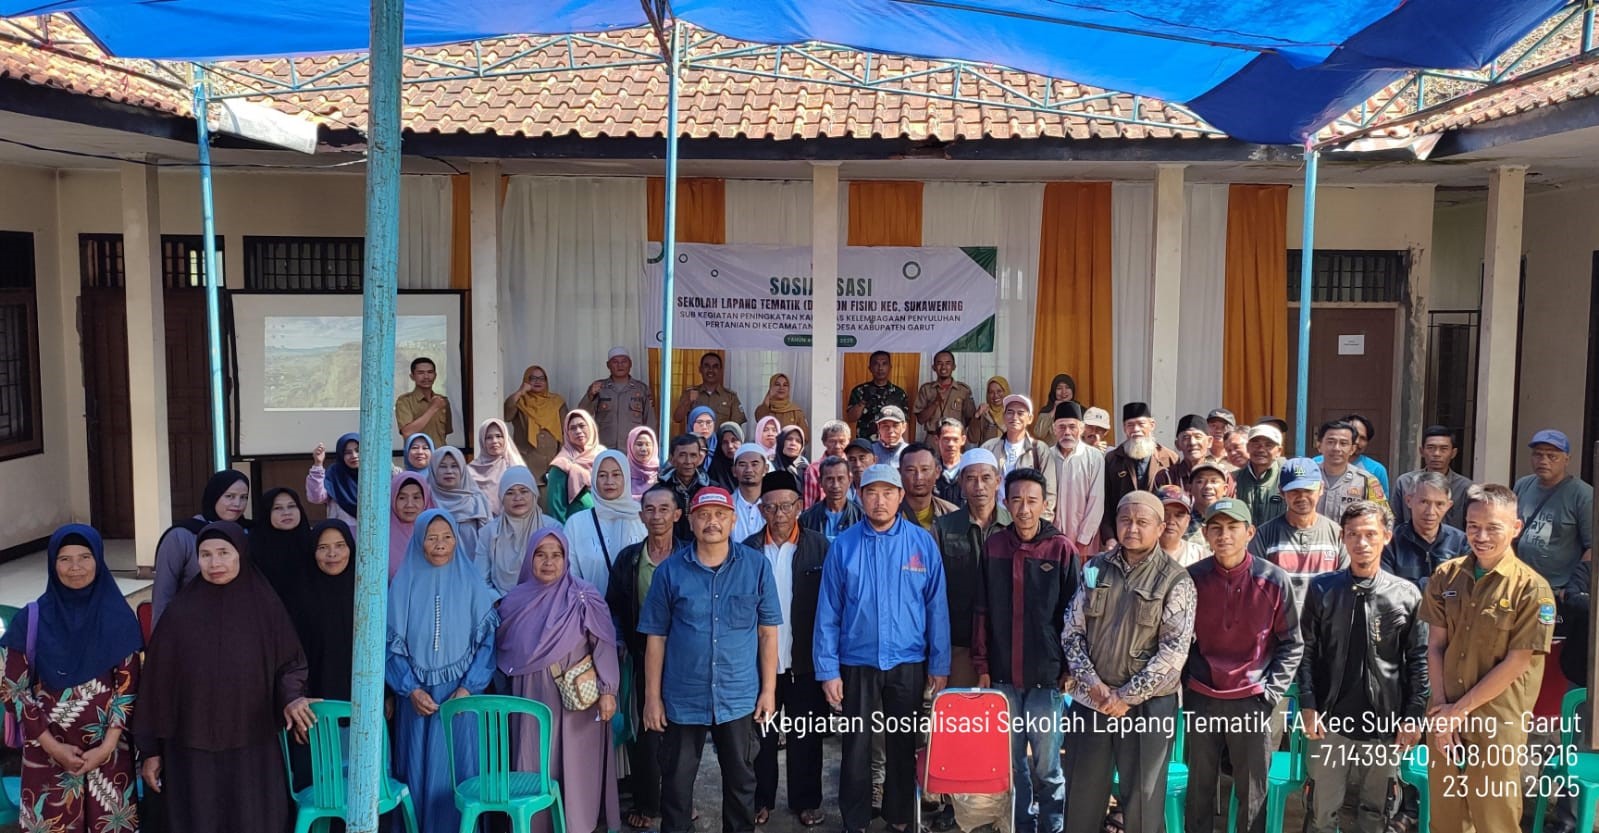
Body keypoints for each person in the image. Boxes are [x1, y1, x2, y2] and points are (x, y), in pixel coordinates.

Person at [136, 521, 314, 833]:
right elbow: (156, 685)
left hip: (251, 745)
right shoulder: (179, 614)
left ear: (241, 555)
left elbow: (290, 664)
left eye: (223, 553)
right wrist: (150, 750)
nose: (214, 563)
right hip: (190, 749)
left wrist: (291, 696)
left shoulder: (265, 606)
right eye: (205, 555)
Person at [815, 464, 951, 833]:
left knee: (903, 743)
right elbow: (828, 611)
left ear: (900, 497)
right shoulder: (843, 546)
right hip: (856, 661)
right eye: (872, 493)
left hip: (908, 661)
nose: (880, 501)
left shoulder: (921, 544)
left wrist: (940, 664)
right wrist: (827, 670)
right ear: (860, 496)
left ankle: (900, 816)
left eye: (888, 493)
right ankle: (855, 819)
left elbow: (936, 607)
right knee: (856, 745)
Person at [640, 487, 780, 833]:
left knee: (741, 782)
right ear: (691, 521)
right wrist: (652, 699)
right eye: (704, 515)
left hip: (738, 695)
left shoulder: (756, 567)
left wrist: (768, 691)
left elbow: (767, 633)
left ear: (733, 520)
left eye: (720, 515)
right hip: (682, 697)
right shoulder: (670, 572)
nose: (712, 522)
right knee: (675, 784)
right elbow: (656, 638)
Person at [1422, 484, 1554, 832]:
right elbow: (1435, 646)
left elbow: (1518, 661)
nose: (1480, 536)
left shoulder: (1532, 589)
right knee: (1447, 820)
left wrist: (1457, 711)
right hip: (1444, 722)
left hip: (1495, 725)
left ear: (1515, 528)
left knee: (1495, 821)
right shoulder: (1446, 575)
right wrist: (1440, 709)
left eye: (1493, 527)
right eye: (1472, 525)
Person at [1062, 492, 1196, 833]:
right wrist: (1094, 684)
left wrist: (1125, 696)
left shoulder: (1176, 580)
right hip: (1092, 700)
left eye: (1142, 522)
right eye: (1125, 520)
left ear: (1160, 527)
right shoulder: (1094, 568)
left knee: (1143, 803)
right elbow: (1072, 632)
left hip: (1148, 707)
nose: (1132, 528)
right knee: (1082, 797)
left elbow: (1173, 654)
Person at [1, 525, 143, 833]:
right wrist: (53, 747)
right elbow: (15, 690)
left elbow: (128, 688)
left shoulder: (118, 616)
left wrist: (107, 746)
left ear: (99, 560)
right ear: (52, 563)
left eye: (84, 557)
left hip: (109, 758)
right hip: (46, 756)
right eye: (65, 559)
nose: (75, 568)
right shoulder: (32, 618)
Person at [1300, 501, 1428, 833]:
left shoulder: (1405, 595)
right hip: (1331, 722)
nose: (1362, 543)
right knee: (1321, 812)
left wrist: (1413, 716)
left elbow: (1418, 661)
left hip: (1384, 723)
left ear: (1386, 536)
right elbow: (1307, 652)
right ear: (1342, 537)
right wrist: (1309, 705)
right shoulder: (1322, 589)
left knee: (1377, 812)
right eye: (1354, 534)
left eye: (1371, 534)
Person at [1185, 499, 1303, 833]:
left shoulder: (1273, 580)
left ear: (1250, 532)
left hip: (1252, 699)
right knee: (1199, 788)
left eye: (1233, 527)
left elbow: (1292, 642)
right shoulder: (1191, 579)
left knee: (1252, 791)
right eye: (1216, 528)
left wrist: (1270, 693)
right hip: (1203, 695)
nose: (1225, 535)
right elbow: (1178, 639)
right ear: (1206, 534)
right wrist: (1187, 688)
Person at [972, 467, 1077, 833]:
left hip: (1046, 676)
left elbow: (1073, 614)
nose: (1024, 508)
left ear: (1045, 504)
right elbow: (981, 608)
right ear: (1006, 502)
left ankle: (1052, 824)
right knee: (1011, 761)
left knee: (1048, 765)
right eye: (1016, 499)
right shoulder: (995, 545)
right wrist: (982, 663)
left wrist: (1069, 668)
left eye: (1032, 500)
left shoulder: (1060, 548)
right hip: (1001, 675)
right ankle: (1020, 824)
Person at [498, 526, 621, 833]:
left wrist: (608, 690)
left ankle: (577, 825)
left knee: (577, 766)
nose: (549, 562)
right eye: (541, 554)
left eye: (557, 555)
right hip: (528, 698)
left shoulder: (583, 596)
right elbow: (502, 651)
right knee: (533, 763)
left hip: (577, 698)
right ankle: (535, 826)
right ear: (529, 558)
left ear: (567, 559)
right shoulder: (513, 601)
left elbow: (604, 644)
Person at [387, 510, 500, 833]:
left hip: (461, 700)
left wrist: (467, 690)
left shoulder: (471, 581)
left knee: (462, 771)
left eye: (447, 537)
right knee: (416, 771)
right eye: (431, 537)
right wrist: (411, 689)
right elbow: (388, 645)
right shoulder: (403, 582)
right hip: (417, 700)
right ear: (419, 540)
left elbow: (487, 643)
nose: (440, 544)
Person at [744, 471, 830, 829]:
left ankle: (806, 802)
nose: (779, 514)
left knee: (806, 738)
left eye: (786, 506)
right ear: (761, 509)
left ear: (800, 506)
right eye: (771, 507)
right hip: (759, 664)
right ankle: (760, 801)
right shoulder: (747, 550)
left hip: (804, 661)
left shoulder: (821, 547)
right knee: (759, 740)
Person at [607, 484, 684, 832]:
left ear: (677, 514)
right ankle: (646, 803)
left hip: (685, 658)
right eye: (650, 509)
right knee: (646, 730)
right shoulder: (629, 558)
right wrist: (621, 641)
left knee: (683, 735)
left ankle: (680, 804)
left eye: (664, 509)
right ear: (641, 516)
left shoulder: (689, 555)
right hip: (641, 656)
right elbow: (614, 608)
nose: (657, 516)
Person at [934, 448, 1010, 688]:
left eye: (986, 478)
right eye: (971, 478)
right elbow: (932, 591)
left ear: (998, 481)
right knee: (962, 716)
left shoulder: (1016, 525)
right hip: (959, 641)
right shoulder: (944, 528)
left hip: (1006, 642)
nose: (979, 486)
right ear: (961, 483)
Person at [152, 468, 250, 624]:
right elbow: (163, 594)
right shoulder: (181, 536)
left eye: (243, 497)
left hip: (241, 627)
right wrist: (161, 641)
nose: (237, 504)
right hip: (192, 627)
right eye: (230, 496)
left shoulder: (248, 533)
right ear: (214, 496)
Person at [1250, 458, 1347, 611]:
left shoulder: (1337, 534)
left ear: (1321, 488)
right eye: (1294, 491)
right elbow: (1257, 588)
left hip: (1325, 627)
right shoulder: (1264, 534)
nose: (1302, 497)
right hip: (1280, 627)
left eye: (1308, 490)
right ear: (1281, 491)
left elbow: (1344, 587)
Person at [1513, 428, 1594, 596]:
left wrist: (1574, 587)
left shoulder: (1583, 495)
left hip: (1557, 589)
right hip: (1520, 585)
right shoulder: (1523, 485)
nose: (1543, 461)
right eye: (1538, 454)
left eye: (1552, 456)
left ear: (1566, 459)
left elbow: (1593, 547)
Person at [289, 520, 357, 701]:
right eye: (323, 547)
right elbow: (293, 654)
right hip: (316, 703)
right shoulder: (299, 596)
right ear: (312, 552)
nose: (332, 554)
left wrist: (387, 693)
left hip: (367, 702)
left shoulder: (368, 592)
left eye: (340, 545)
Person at [564, 450, 647, 596]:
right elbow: (571, 574)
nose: (609, 481)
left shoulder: (643, 518)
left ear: (626, 477)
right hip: (591, 611)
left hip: (638, 614)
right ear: (594, 478)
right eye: (602, 475)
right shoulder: (576, 524)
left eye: (616, 475)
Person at [1101, 402, 1179, 542]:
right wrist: (1109, 538)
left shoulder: (1170, 459)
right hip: (1124, 536)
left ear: (1152, 425)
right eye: (1130, 425)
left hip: (1158, 538)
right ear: (1124, 428)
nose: (1136, 429)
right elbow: (1106, 504)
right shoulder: (1112, 459)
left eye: (1141, 424)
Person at [475, 466, 556, 595]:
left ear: (534, 493)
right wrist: (499, 602)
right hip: (501, 608)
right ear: (502, 497)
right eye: (510, 492)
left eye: (524, 491)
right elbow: (480, 579)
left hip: (545, 604)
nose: (518, 498)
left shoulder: (552, 529)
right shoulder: (489, 533)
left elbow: (560, 574)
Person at [1382, 471, 1470, 590]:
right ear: (1408, 501)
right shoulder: (1390, 543)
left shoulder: (1461, 543)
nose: (1430, 512)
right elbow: (1387, 590)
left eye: (1439, 504)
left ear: (1448, 506)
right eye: (1424, 502)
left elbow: (1465, 589)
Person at [980, 394, 1060, 512]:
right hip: (995, 520)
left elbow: (1049, 493)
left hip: (1028, 519)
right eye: (1010, 412)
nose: (1014, 417)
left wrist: (1041, 525)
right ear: (1004, 416)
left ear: (1030, 418)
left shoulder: (1040, 450)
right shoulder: (989, 448)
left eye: (1020, 413)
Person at [1047, 400, 1105, 555]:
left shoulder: (1094, 457)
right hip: (1051, 541)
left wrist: (1083, 539)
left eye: (1072, 427)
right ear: (1054, 430)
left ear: (1081, 428)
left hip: (1084, 544)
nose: (1067, 432)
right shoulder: (1046, 456)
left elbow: (1096, 501)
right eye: (1061, 427)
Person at [1389, 425, 1473, 529]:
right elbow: (1394, 523)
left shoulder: (1466, 487)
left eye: (1443, 449)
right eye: (1431, 448)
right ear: (1421, 451)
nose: (1436, 454)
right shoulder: (1405, 482)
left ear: (1453, 453)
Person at [580, 346, 656, 450]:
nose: (620, 365)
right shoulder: (599, 387)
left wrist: (649, 446)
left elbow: (650, 421)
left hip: (633, 448)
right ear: (608, 365)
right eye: (615, 362)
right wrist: (589, 395)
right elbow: (582, 414)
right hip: (604, 447)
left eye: (624, 361)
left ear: (630, 364)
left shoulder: (642, 389)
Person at [1315, 420, 1387, 522]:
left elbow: (1384, 517)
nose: (1336, 448)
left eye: (1343, 443)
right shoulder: (1307, 476)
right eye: (1330, 442)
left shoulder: (1367, 481)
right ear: (1319, 446)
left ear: (1352, 449)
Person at [428, 445, 492, 559]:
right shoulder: (426, 500)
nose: (449, 471)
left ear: (463, 469)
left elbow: (489, 543)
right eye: (442, 466)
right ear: (433, 469)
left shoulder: (477, 501)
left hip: (472, 570)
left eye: (454, 466)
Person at [251, 487, 314, 601]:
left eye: (291, 506)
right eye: (277, 508)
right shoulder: (254, 548)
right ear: (267, 513)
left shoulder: (314, 543)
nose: (286, 513)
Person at [504, 364, 566, 477]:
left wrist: (562, 458)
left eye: (542, 378)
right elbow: (507, 416)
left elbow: (566, 430)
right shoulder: (520, 401)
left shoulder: (556, 401)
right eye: (533, 378)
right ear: (525, 381)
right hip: (526, 462)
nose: (538, 381)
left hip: (552, 462)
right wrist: (520, 392)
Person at [547, 409, 606, 523]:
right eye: (572, 428)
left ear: (591, 427)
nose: (578, 431)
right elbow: (556, 510)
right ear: (567, 433)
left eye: (582, 426)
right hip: (576, 531)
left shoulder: (604, 457)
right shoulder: (561, 465)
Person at [671, 352, 747, 433]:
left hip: (720, 444)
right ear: (700, 369)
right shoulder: (690, 393)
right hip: (696, 443)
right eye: (707, 366)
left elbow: (736, 427)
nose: (711, 370)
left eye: (715, 366)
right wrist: (688, 402)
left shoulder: (730, 397)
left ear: (721, 370)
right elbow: (677, 418)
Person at [847, 351, 910, 442]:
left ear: (890, 367)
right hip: (867, 445)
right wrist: (864, 400)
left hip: (891, 443)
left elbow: (904, 422)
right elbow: (851, 418)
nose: (880, 368)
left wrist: (905, 448)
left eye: (884, 364)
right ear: (870, 368)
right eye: (876, 364)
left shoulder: (898, 393)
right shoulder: (860, 390)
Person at [467, 417, 527, 514]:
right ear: (482, 441)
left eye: (499, 436)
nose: (494, 441)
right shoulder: (470, 471)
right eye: (489, 437)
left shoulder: (515, 466)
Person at [659, 433, 711, 541]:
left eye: (693, 455)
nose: (688, 461)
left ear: (699, 458)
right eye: (682, 455)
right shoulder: (660, 490)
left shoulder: (711, 490)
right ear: (672, 459)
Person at [914, 351, 977, 439]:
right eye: (939, 363)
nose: (943, 367)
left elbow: (971, 419)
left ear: (954, 367)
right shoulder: (926, 389)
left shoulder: (963, 390)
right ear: (933, 367)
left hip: (955, 438)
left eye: (948, 363)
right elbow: (920, 419)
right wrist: (935, 403)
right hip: (933, 439)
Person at [799, 456, 862, 542]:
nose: (835, 485)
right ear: (820, 482)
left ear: (850, 480)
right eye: (830, 479)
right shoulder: (807, 519)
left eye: (840, 479)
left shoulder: (861, 517)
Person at [898, 442, 959, 530]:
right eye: (911, 470)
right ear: (900, 472)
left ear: (937, 472)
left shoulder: (952, 514)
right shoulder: (889, 514)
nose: (919, 477)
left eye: (925, 469)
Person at [1235, 423, 1286, 525]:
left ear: (1279, 451)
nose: (1261, 449)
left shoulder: (1287, 478)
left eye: (1268, 445)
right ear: (1248, 447)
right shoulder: (1234, 478)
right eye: (1256, 444)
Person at [395, 356, 453, 447]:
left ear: (435, 375)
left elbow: (445, 433)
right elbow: (407, 432)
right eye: (420, 373)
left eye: (430, 372)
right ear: (412, 376)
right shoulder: (404, 401)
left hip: (440, 456)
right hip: (418, 457)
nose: (426, 377)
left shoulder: (443, 401)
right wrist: (433, 408)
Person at [388, 471, 434, 578]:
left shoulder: (438, 531)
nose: (409, 505)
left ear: (425, 500)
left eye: (416, 497)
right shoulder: (379, 537)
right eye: (402, 498)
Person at [306, 432, 360, 523]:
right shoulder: (334, 474)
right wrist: (318, 464)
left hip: (376, 534)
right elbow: (316, 498)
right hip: (340, 534)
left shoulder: (378, 474)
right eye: (347, 452)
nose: (354, 456)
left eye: (358, 450)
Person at [1154, 414, 1216, 492]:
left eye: (1198, 437)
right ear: (1177, 445)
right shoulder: (1166, 477)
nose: (1192, 442)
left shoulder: (1221, 476)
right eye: (1186, 437)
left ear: (1209, 442)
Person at [1155, 485, 1209, 567]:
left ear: (1187, 521)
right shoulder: (1138, 553)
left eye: (1178, 515)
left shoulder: (1201, 556)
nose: (1171, 521)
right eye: (1165, 514)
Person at [803, 421, 852, 506]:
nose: (837, 446)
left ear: (849, 441)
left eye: (842, 441)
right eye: (832, 441)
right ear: (824, 442)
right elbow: (809, 506)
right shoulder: (813, 470)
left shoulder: (854, 465)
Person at [732, 443, 771, 542]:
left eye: (754, 464)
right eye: (742, 464)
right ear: (734, 471)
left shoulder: (774, 506)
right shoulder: (726, 506)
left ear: (766, 469)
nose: (749, 470)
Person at [755, 372, 811, 440]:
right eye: (777, 384)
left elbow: (805, 437)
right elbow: (760, 419)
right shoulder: (764, 409)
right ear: (771, 387)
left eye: (785, 385)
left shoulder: (796, 412)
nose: (781, 388)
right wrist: (769, 395)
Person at [1343, 414, 1391, 492]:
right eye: (1354, 435)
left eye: (1363, 438)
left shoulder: (1376, 470)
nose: (1357, 441)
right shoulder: (1319, 463)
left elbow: (1380, 503)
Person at [1186, 461, 1230, 538]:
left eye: (1214, 481)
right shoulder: (1182, 522)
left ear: (1225, 489)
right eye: (1200, 481)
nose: (1208, 486)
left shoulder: (1233, 521)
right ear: (1190, 488)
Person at [931, 417, 968, 507]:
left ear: (963, 440)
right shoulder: (929, 470)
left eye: (955, 440)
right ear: (936, 440)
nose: (951, 444)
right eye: (946, 439)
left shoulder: (970, 469)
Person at [1033, 373, 1077, 442]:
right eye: (1059, 388)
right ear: (1054, 391)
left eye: (1067, 387)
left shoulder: (1081, 411)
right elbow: (1039, 434)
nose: (1064, 391)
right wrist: (1054, 409)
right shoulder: (1046, 412)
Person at [967, 375, 1009, 446]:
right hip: (987, 455)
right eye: (991, 392)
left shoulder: (1012, 412)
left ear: (1006, 391)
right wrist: (977, 416)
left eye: (999, 391)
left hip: (1007, 454)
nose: (995, 395)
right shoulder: (984, 412)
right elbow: (973, 438)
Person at [708, 422, 745, 492]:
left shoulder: (750, 465)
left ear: (741, 441)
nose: (730, 446)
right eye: (725, 442)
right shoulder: (715, 469)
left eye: (734, 440)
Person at [627, 426, 661, 501]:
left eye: (648, 444)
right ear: (630, 446)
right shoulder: (622, 472)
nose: (644, 449)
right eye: (639, 444)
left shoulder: (662, 473)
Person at [687, 405, 720, 469]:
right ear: (691, 424)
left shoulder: (721, 446)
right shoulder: (683, 445)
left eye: (708, 422)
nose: (704, 427)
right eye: (700, 422)